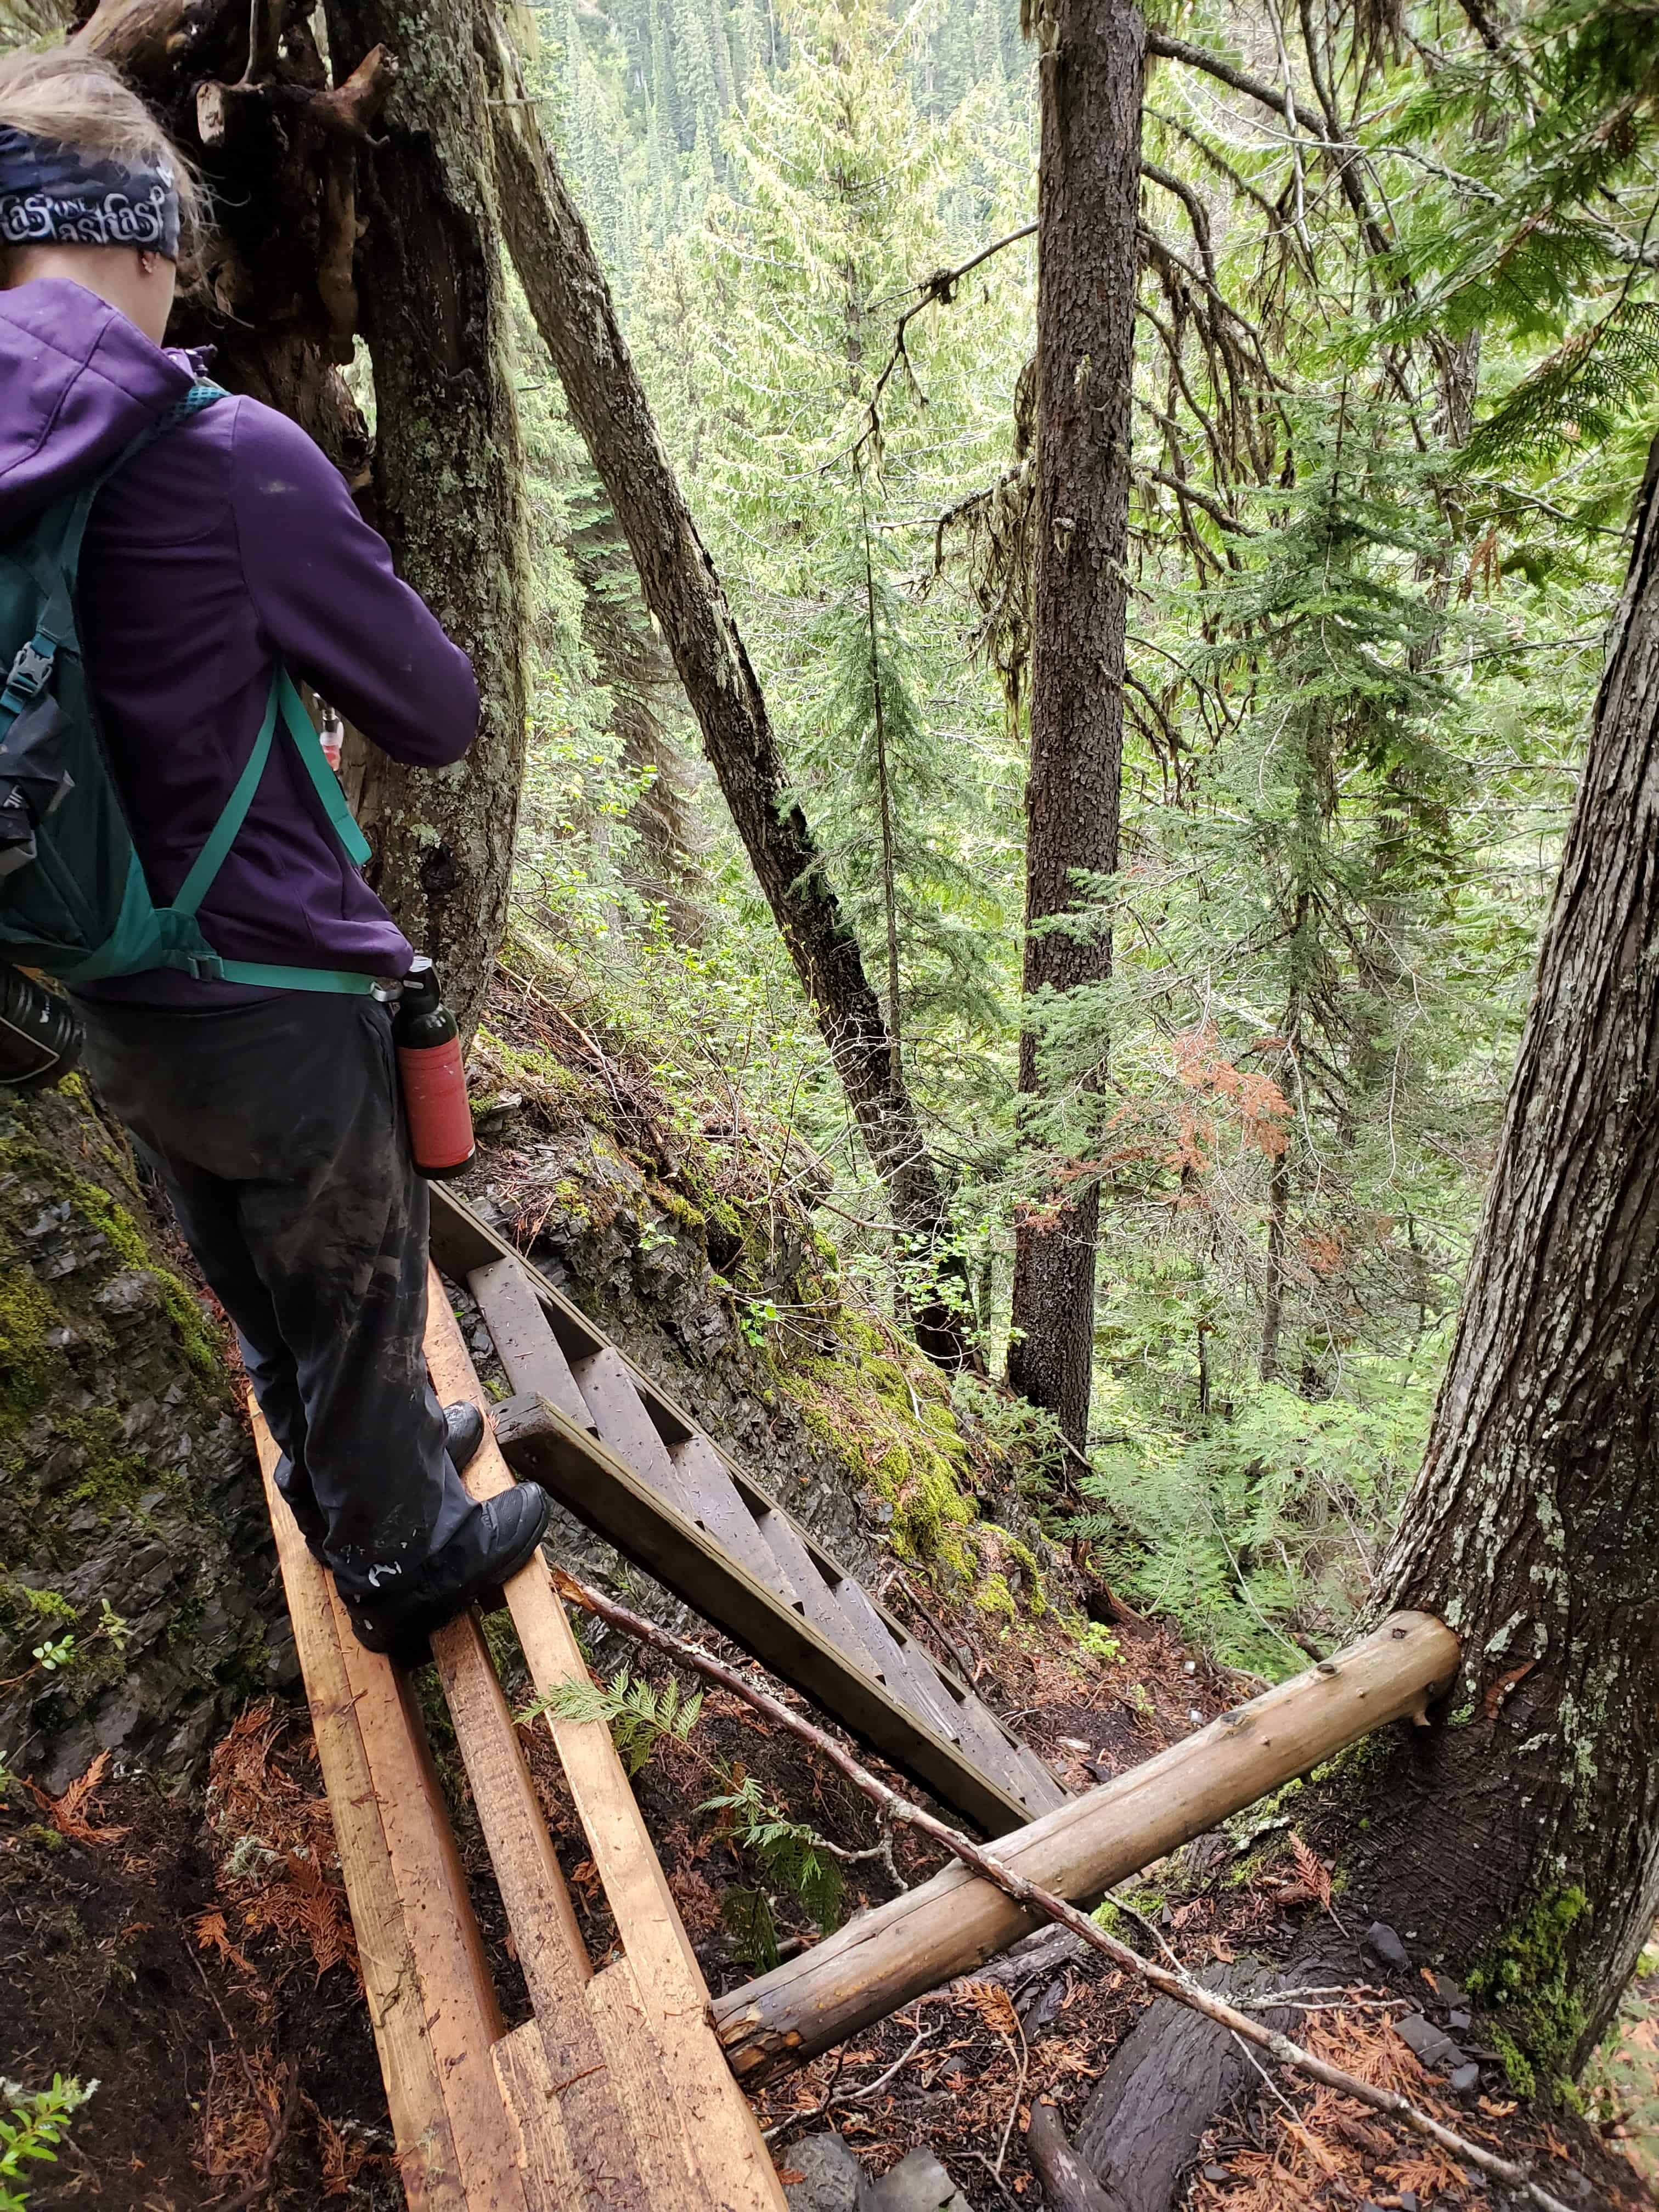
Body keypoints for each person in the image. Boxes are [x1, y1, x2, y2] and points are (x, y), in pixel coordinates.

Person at [0, 49, 550, 1658]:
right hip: (272, 978)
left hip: (91, 964)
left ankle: (335, 1478)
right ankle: (404, 1557)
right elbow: (435, 711)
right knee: (356, 1280)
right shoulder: (227, 454)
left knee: (245, 1267)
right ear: (143, 239)